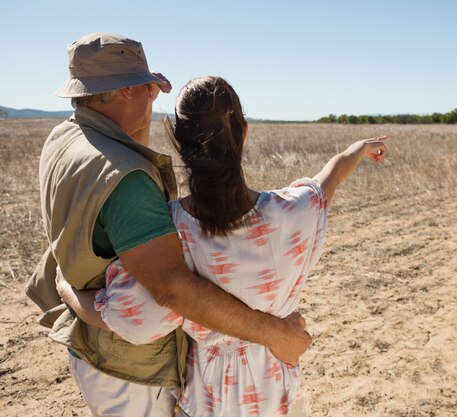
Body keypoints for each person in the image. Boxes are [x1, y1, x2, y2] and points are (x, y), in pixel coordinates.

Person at [57, 76, 388, 417]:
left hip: (208, 397)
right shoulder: (295, 211)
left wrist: (67, 289)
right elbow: (329, 178)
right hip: (279, 391)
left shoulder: (168, 232)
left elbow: (136, 322)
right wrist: (358, 150)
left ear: (179, 144)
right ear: (243, 133)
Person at [27, 33, 311, 417]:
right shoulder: (127, 178)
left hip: (92, 350)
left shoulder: (67, 136)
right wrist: (276, 334)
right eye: (147, 87)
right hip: (131, 369)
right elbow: (172, 290)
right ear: (126, 90)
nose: (153, 95)